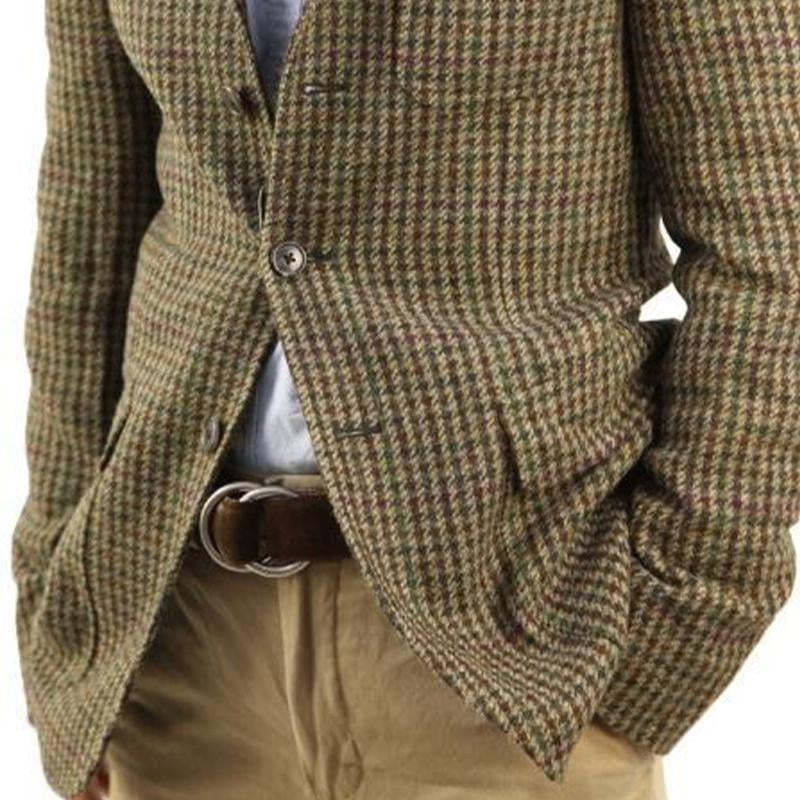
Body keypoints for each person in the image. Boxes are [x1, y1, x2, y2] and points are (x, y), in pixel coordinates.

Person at [12, 0, 799, 798]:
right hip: (175, 640)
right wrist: (60, 612)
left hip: (522, 638)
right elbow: (89, 228)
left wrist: (676, 625)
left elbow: (768, 242)